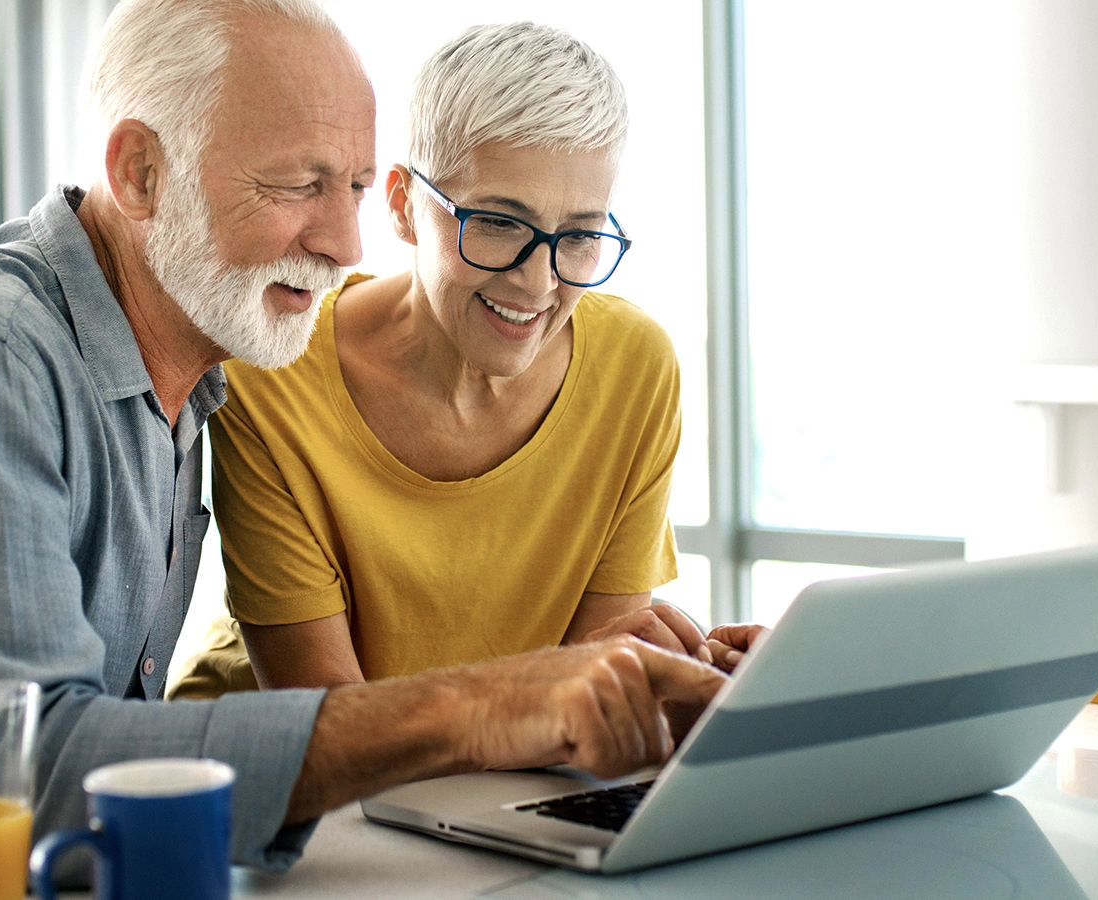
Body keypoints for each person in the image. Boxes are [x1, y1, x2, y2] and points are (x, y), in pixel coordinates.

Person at [0, 2, 724, 898]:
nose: (344, 245)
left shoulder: (200, 368)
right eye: (297, 186)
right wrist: (481, 703)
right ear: (141, 174)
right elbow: (29, 770)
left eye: (348, 190)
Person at [172, 22, 763, 699]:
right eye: (499, 222)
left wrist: (701, 687)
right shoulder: (276, 367)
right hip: (277, 787)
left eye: (579, 235)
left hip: (496, 787)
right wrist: (559, 705)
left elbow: (591, 702)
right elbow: (325, 723)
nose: (538, 283)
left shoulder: (635, 368)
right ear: (401, 206)